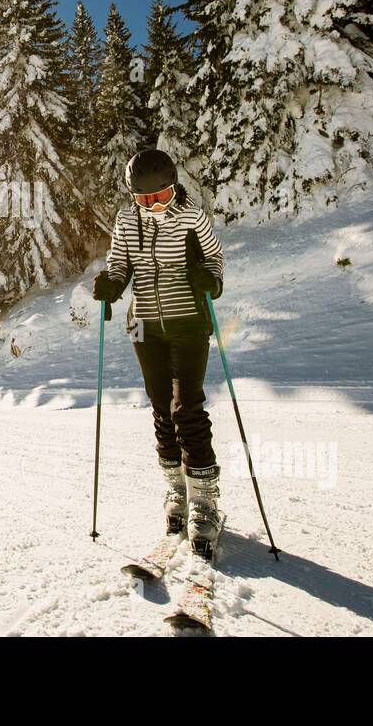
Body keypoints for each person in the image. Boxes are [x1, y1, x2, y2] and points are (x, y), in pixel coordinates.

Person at [92, 149, 226, 559]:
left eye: (161, 197)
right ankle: (175, 490)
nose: (152, 206)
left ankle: (205, 503)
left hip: (188, 319)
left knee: (187, 406)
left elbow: (215, 259)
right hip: (143, 324)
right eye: (143, 199)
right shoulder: (126, 220)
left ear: (173, 188)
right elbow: (119, 263)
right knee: (160, 408)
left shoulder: (191, 216)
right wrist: (112, 284)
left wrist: (210, 280)